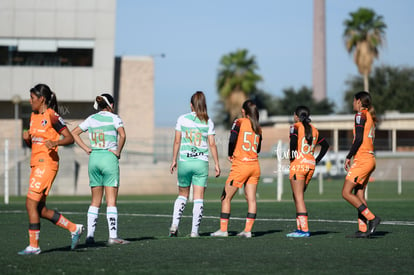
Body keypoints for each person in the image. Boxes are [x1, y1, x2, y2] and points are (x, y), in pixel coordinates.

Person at [19, 84, 84, 255]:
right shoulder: (33, 117)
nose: (30, 101)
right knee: (40, 209)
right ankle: (74, 228)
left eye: (32, 98)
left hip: (47, 164)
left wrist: (56, 142)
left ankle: (34, 247)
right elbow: (33, 144)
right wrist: (26, 139)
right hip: (35, 164)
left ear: (41, 99)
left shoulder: (52, 116)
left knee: (30, 204)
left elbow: (69, 138)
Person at [71, 93, 129, 245]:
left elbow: (74, 133)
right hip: (109, 159)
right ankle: (113, 236)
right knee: (111, 201)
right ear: (111, 105)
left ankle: (90, 236)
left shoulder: (91, 119)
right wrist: (118, 152)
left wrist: (86, 149)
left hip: (94, 158)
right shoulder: (115, 118)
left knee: (95, 201)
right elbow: (122, 136)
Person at [169, 91, 220, 237]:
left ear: (191, 105)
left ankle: (174, 225)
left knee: (182, 195)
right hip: (200, 163)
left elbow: (177, 141)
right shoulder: (208, 121)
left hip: (185, 161)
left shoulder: (182, 119)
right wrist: (217, 164)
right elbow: (212, 144)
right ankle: (194, 232)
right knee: (198, 198)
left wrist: (173, 159)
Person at [211, 100, 262, 238]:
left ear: (244, 111)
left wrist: (229, 154)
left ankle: (223, 230)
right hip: (255, 165)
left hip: (241, 166)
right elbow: (258, 148)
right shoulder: (258, 126)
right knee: (251, 199)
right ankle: (247, 231)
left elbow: (232, 139)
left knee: (225, 197)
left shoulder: (239, 122)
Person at [286, 106, 329, 238]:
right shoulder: (314, 129)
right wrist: (316, 160)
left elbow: (293, 143)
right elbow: (326, 145)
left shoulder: (295, 126)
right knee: (297, 196)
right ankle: (300, 228)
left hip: (298, 164)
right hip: (310, 165)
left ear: (296, 116)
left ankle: (304, 230)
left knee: (298, 198)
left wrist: (292, 158)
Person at [342, 91, 380, 238]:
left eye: (353, 101)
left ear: (359, 101)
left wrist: (348, 156)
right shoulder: (369, 116)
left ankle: (372, 218)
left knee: (346, 192)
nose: (352, 104)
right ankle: (363, 230)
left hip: (362, 160)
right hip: (369, 159)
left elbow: (358, 139)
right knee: (359, 194)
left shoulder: (360, 115)